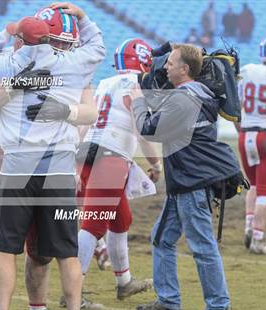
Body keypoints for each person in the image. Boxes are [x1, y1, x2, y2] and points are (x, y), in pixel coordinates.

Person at [0, 3, 105, 309]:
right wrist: (83, 16)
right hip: (58, 167)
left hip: (18, 165)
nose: (67, 45)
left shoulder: (9, 63)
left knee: (8, 249)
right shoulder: (76, 65)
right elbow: (97, 46)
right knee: (64, 252)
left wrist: (7, 33)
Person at [134, 44, 241, 310]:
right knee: (161, 239)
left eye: (171, 63)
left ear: (184, 69)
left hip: (192, 182)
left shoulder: (185, 98)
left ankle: (219, 305)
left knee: (202, 247)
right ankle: (168, 301)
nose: (165, 67)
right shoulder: (196, 93)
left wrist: (137, 101)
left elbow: (149, 129)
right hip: (185, 180)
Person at [66, 38, 160, 307]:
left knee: (120, 220)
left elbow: (87, 122)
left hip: (89, 150)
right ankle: (74, 293)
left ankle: (124, 282)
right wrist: (155, 164)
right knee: (94, 224)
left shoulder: (106, 84)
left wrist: (75, 158)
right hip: (111, 157)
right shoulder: (137, 85)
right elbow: (142, 130)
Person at [238, 35, 266, 255]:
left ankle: (248, 226)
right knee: (264, 191)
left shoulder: (248, 70)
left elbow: (236, 102)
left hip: (245, 135)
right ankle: (258, 238)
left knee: (252, 184)